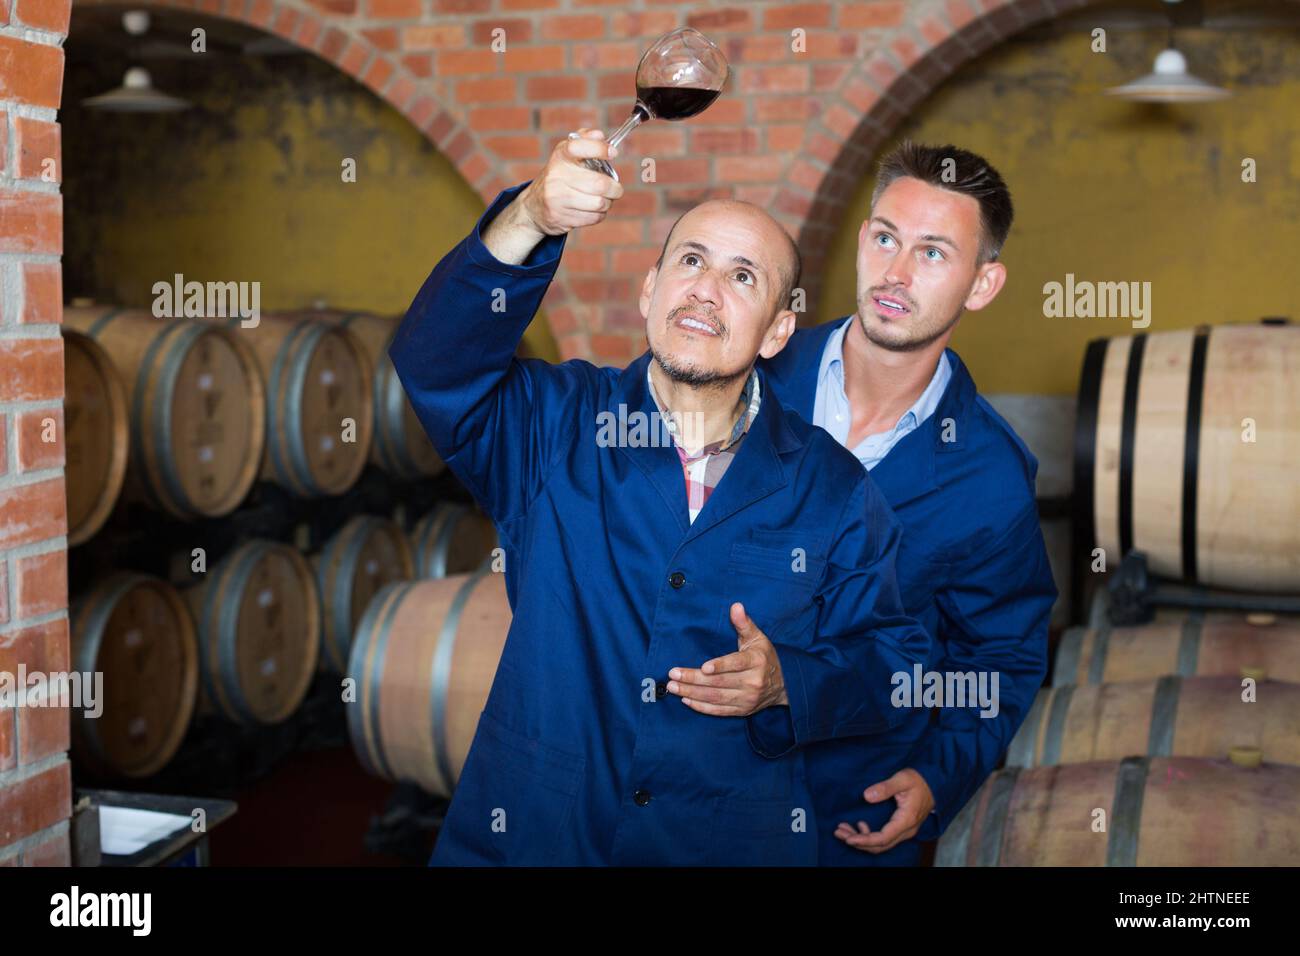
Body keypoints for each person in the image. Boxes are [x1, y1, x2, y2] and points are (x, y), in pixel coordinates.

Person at [388, 129, 931, 866]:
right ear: (651, 291)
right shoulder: (555, 426)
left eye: (744, 277)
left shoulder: (833, 488)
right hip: (533, 837)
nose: (706, 288)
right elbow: (432, 360)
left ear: (776, 332)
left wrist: (787, 683)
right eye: (691, 260)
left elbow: (898, 668)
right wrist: (532, 219)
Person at [759, 142, 1057, 865]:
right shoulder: (753, 374)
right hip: (677, 788)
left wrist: (937, 773)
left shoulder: (991, 473)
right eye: (887, 238)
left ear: (982, 285)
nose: (895, 273)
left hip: (845, 816)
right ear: (863, 240)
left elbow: (1001, 652)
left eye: (933, 253)